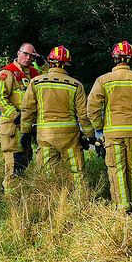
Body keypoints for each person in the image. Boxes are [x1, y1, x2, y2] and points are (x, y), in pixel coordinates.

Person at [87, 41, 132, 211]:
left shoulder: (103, 80)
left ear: (114, 59)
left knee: (116, 169)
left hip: (113, 135)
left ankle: (121, 206)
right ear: (131, 59)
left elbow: (92, 107)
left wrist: (99, 127)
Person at [21, 45, 94, 192]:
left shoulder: (36, 82)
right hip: (70, 137)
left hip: (46, 135)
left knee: (48, 172)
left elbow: (27, 110)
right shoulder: (76, 85)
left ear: (50, 61)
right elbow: (83, 115)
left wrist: (25, 132)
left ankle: (52, 202)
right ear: (67, 63)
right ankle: (78, 202)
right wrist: (90, 136)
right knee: (76, 173)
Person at [0, 43, 40, 192]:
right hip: (12, 125)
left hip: (28, 126)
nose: (27, 58)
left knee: (25, 161)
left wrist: (42, 63)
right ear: (18, 53)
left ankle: (16, 193)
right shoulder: (7, 73)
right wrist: (15, 115)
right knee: (14, 163)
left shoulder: (34, 73)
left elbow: (51, 76)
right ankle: (11, 200)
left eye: (31, 56)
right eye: (25, 54)